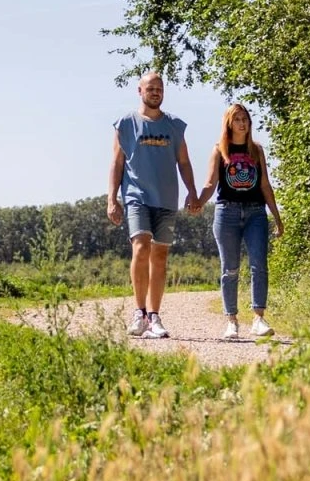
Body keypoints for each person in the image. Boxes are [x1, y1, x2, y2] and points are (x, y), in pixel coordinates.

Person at [107, 71, 199, 339]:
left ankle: (155, 317)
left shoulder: (174, 126)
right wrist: (112, 198)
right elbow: (116, 163)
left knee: (160, 256)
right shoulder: (125, 124)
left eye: (160, 88)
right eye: (151, 88)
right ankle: (139, 312)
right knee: (140, 246)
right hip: (136, 196)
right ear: (140, 91)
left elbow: (183, 162)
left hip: (167, 199)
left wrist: (192, 192)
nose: (156, 92)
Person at [200, 103, 284, 339]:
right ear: (229, 123)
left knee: (259, 265)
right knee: (230, 269)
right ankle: (232, 321)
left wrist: (277, 218)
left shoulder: (256, 150)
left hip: (256, 213)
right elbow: (210, 184)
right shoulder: (220, 150)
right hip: (227, 212)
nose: (242, 123)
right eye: (237, 119)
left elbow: (265, 185)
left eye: (245, 118)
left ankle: (258, 319)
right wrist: (197, 201)